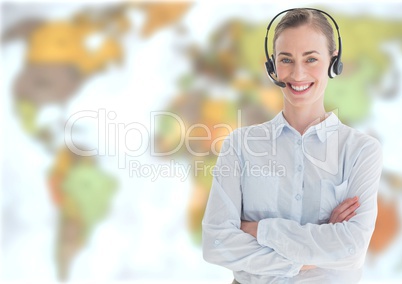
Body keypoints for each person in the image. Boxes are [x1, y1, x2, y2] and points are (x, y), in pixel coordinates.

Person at [202, 8, 382, 284]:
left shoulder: (361, 151)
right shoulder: (241, 145)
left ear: (333, 63)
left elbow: (351, 248)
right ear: (272, 67)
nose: (298, 74)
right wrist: (310, 257)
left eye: (311, 59)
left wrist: (259, 230)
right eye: (286, 60)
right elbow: (216, 243)